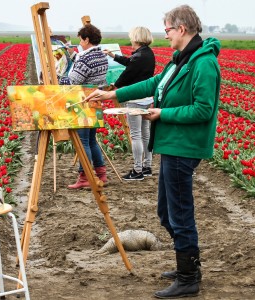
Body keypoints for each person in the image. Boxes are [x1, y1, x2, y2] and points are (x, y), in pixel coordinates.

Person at [85, 5, 220, 298]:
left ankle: (188, 277)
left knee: (180, 213)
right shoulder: (180, 60)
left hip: (184, 145)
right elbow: (153, 83)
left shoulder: (203, 63)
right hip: (171, 143)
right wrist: (113, 94)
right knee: (166, 212)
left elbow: (203, 109)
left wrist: (163, 114)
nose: (165, 35)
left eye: (168, 29)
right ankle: (189, 264)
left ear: (182, 29)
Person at [58, 24, 109, 188]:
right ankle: (101, 174)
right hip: (95, 101)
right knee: (92, 140)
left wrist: (56, 77)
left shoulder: (86, 59)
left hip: (83, 102)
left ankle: (85, 176)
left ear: (87, 39)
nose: (80, 43)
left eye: (81, 39)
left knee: (83, 141)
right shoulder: (100, 55)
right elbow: (85, 69)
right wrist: (74, 56)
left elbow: (73, 81)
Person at [104, 27, 156, 181]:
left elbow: (127, 73)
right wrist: (113, 55)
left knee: (135, 134)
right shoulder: (147, 53)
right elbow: (129, 62)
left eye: (132, 38)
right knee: (145, 133)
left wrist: (115, 85)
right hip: (147, 98)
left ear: (137, 38)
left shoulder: (139, 56)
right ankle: (147, 167)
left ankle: (137, 170)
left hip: (135, 99)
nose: (131, 40)